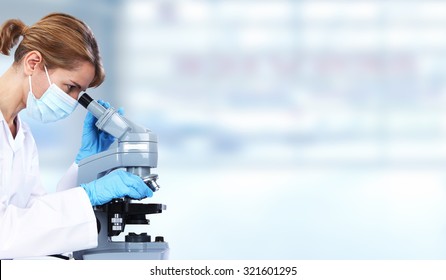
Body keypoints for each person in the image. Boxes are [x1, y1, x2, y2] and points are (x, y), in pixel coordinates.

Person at [0, 13, 153, 259]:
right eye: (71, 87)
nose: (73, 102)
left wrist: (84, 165)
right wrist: (89, 195)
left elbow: (38, 222)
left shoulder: (22, 135)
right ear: (33, 63)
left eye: (80, 92)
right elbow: (5, 235)